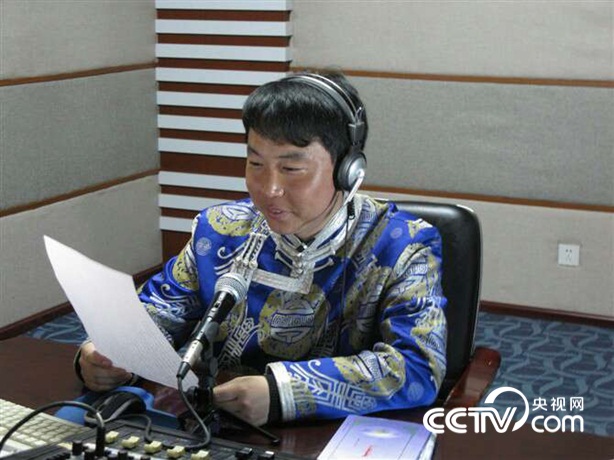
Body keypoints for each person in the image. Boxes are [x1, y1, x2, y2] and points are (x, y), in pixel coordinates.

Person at [76, 71, 447, 427]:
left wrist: (283, 391)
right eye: (256, 164)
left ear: (347, 170)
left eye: (291, 169)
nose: (269, 189)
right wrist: (102, 355)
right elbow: (157, 310)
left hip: (330, 439)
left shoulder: (402, 245)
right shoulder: (220, 230)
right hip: (212, 425)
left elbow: (418, 367)